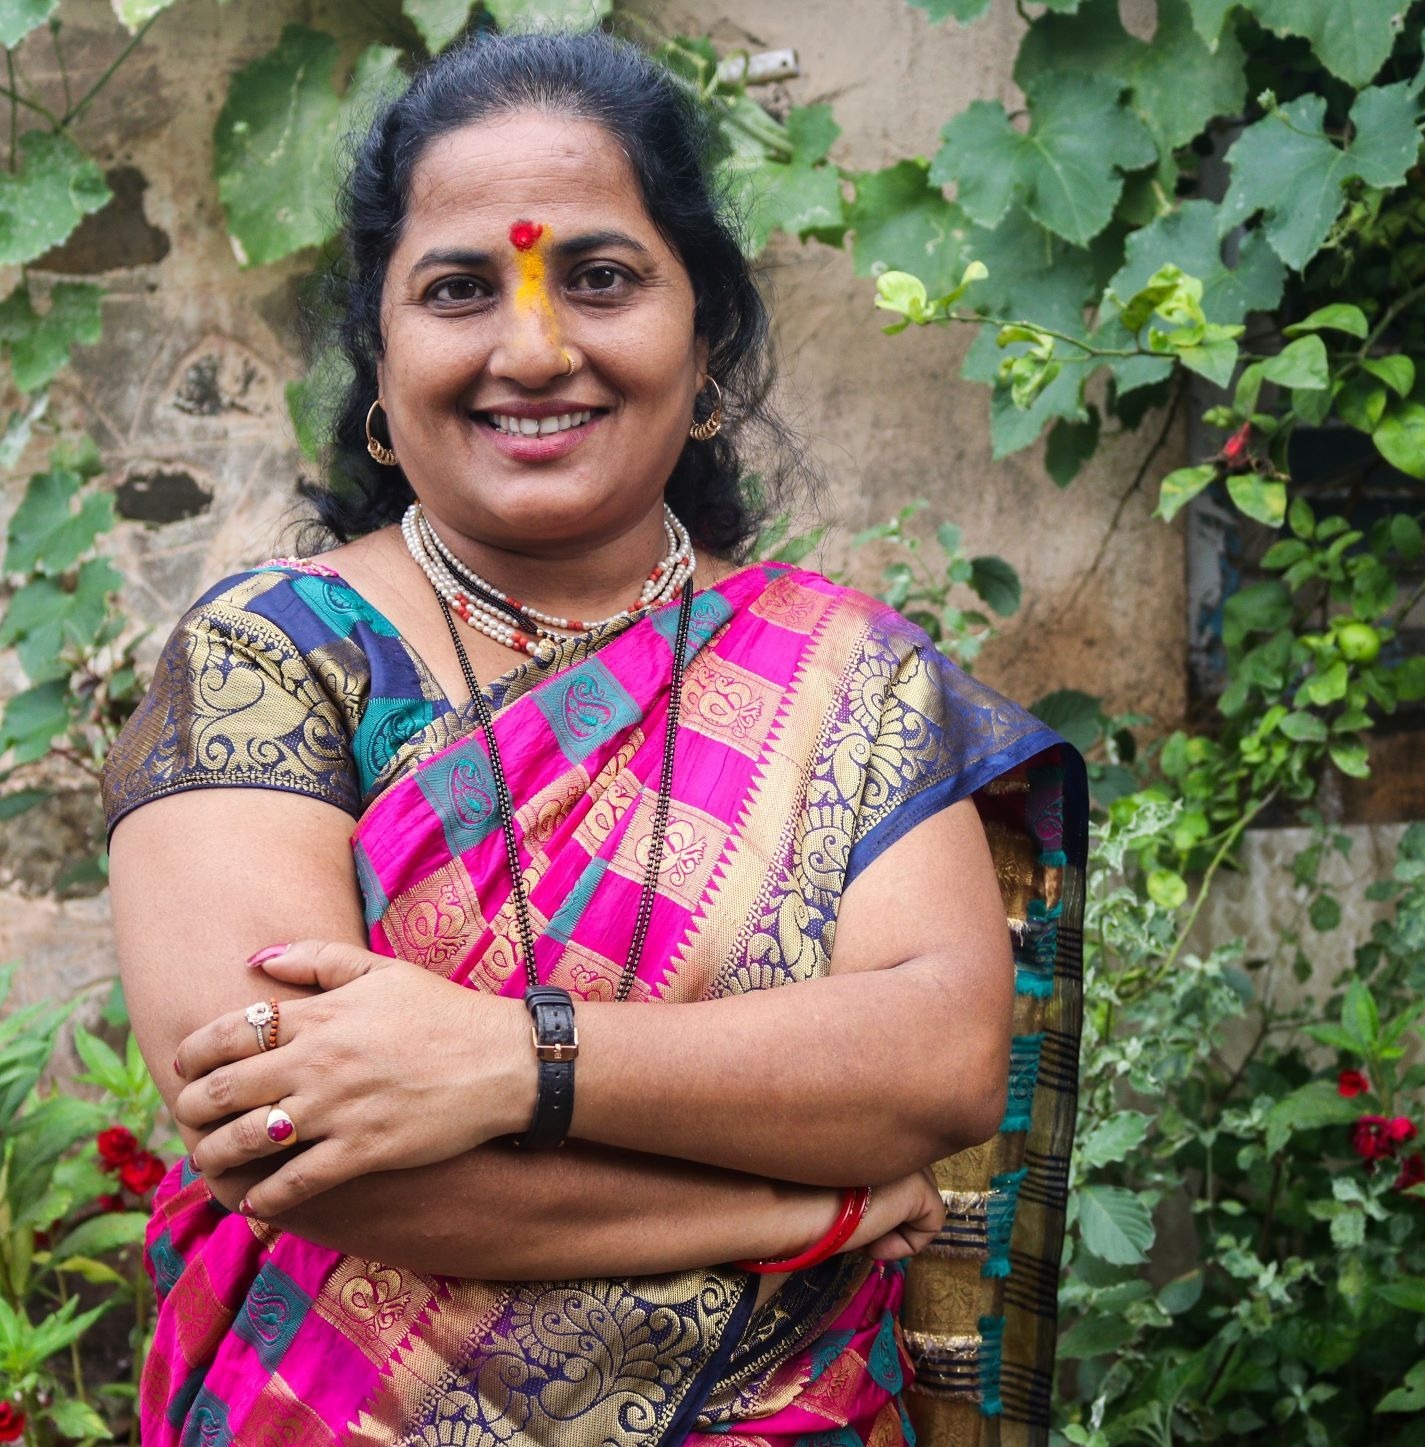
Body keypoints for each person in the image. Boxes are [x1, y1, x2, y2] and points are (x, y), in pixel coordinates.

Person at [101, 29, 1085, 1447]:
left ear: (707, 342)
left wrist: (508, 1060)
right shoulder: (275, 659)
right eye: (458, 289)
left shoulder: (848, 677)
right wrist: (804, 1210)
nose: (534, 349)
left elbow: (934, 1062)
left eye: (604, 278)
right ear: (378, 359)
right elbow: (287, 1138)